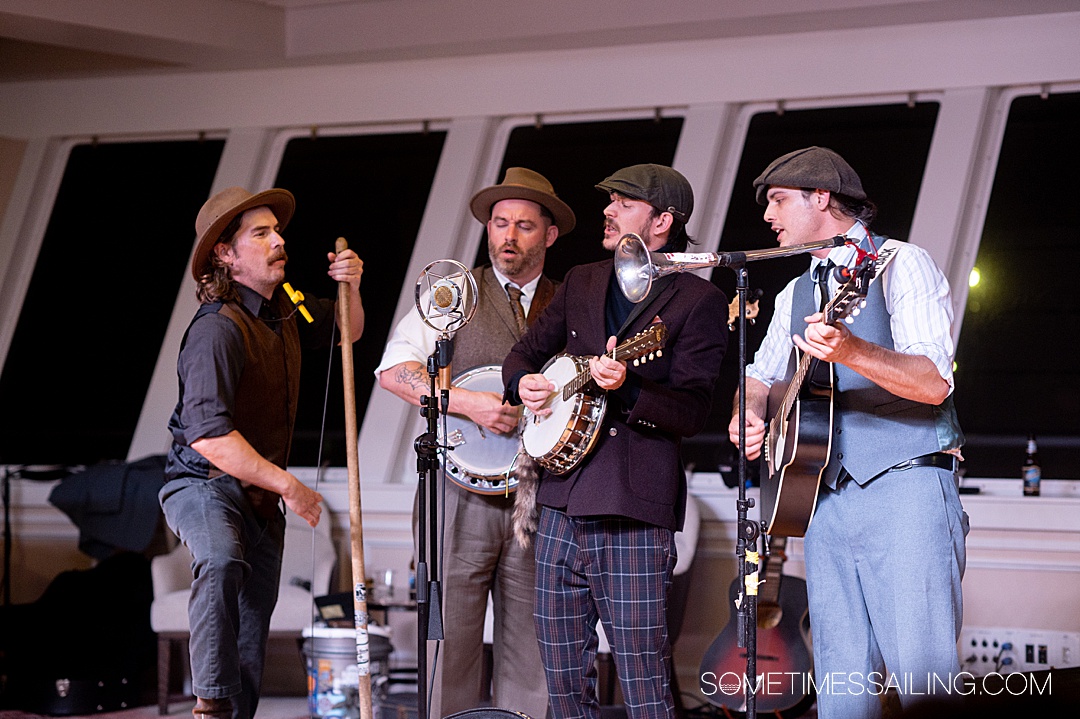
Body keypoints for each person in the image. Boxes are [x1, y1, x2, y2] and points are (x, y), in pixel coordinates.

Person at [728, 146, 967, 719]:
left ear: (821, 198)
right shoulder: (793, 294)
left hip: (906, 485)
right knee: (840, 680)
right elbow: (757, 379)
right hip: (823, 497)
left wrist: (852, 349)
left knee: (922, 676)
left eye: (779, 201)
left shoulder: (900, 264)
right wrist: (750, 412)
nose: (768, 217)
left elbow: (934, 382)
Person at [503, 164, 728, 719]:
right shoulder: (582, 279)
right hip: (558, 503)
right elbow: (525, 354)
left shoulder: (697, 302)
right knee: (561, 680)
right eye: (611, 201)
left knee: (643, 678)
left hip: (632, 510)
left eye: (624, 203)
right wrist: (522, 383)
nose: (607, 210)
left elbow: (695, 411)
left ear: (662, 222)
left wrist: (629, 390)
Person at [375, 167, 575, 719]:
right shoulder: (453, 291)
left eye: (525, 226)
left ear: (549, 236)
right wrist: (471, 403)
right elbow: (394, 370)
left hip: (541, 495)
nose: (508, 237)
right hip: (455, 495)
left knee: (537, 644)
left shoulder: (569, 300)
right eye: (500, 223)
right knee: (448, 642)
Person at [160, 186, 364, 719]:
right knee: (222, 559)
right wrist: (289, 485)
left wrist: (351, 287)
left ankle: (234, 712)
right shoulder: (216, 329)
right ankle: (209, 706)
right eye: (261, 233)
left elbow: (348, 329)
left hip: (256, 493)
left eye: (277, 230)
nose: (279, 241)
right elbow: (209, 437)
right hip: (202, 482)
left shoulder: (287, 307)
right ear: (225, 254)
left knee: (252, 627)